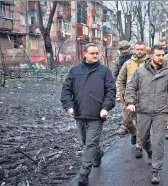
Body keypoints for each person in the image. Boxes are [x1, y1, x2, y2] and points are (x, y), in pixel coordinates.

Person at [60, 43, 116, 186]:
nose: (95, 56)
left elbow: (111, 91)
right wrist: (68, 107)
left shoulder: (104, 71)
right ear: (84, 54)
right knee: (86, 141)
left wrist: (106, 108)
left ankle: (84, 174)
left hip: (97, 115)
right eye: (92, 53)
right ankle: (98, 155)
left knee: (90, 144)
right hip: (79, 114)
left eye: (97, 53)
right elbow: (66, 90)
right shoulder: (74, 70)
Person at [125, 45, 168, 184]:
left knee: (158, 142)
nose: (161, 57)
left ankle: (156, 171)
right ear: (151, 56)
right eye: (158, 55)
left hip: (161, 112)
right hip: (143, 111)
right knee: (143, 139)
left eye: (163, 55)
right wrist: (130, 102)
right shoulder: (140, 72)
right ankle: (149, 152)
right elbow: (131, 87)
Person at [116, 41, 147, 159]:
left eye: (142, 49)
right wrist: (119, 94)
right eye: (137, 49)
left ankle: (139, 147)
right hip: (128, 98)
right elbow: (120, 80)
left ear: (145, 50)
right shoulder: (128, 64)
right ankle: (133, 133)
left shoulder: (149, 63)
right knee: (126, 121)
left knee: (140, 124)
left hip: (144, 99)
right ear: (134, 50)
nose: (139, 51)